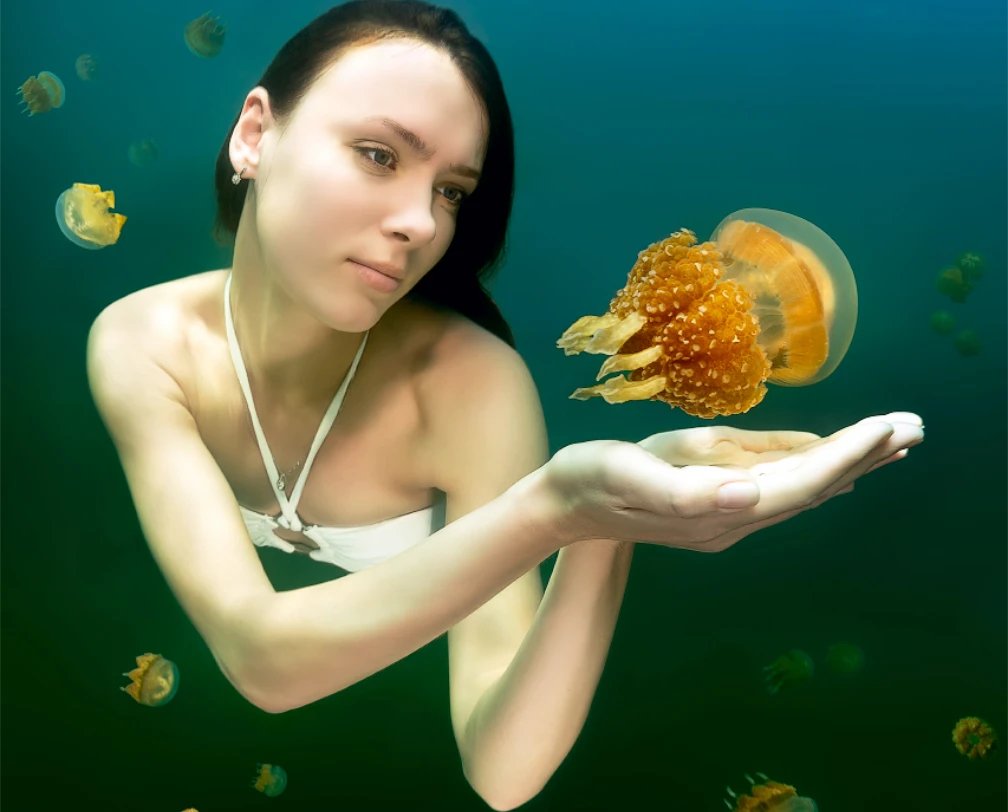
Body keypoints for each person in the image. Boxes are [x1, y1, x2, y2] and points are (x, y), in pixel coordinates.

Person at [85, 2, 924, 809]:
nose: (419, 221)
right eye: (378, 154)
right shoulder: (142, 341)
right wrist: (554, 507)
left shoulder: (471, 386)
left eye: (451, 191)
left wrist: (602, 525)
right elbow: (262, 660)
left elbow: (502, 772)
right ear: (256, 134)